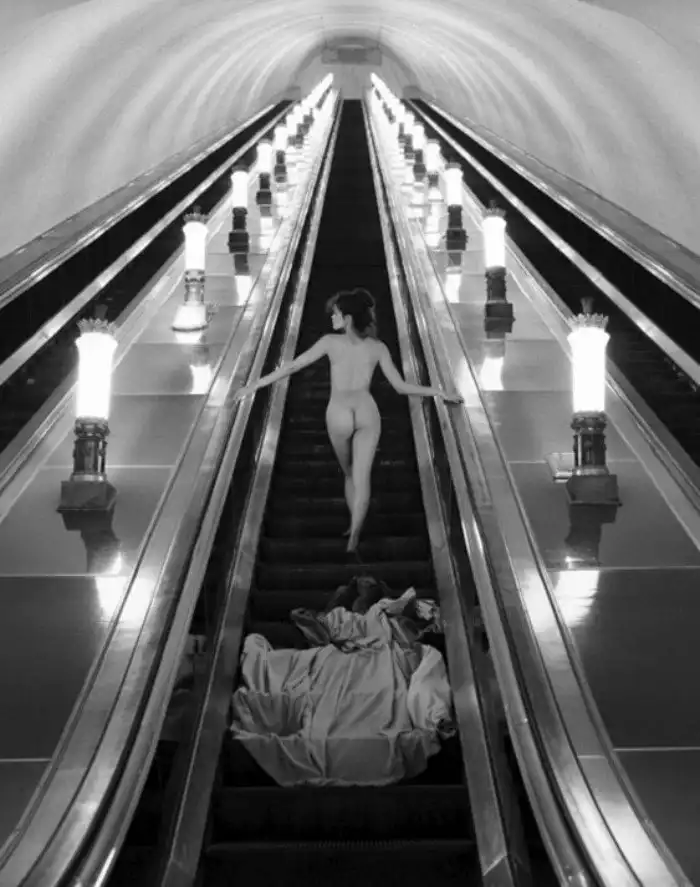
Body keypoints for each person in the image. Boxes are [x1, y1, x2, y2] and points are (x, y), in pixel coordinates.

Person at [234, 288, 462, 553]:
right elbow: (401, 387)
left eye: (336, 314)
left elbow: (293, 366)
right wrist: (438, 392)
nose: (332, 318)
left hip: (339, 412)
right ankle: (355, 531)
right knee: (363, 476)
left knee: (350, 472)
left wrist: (254, 385)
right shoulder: (377, 348)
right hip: (367, 411)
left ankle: (353, 526)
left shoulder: (330, 342)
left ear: (348, 318)